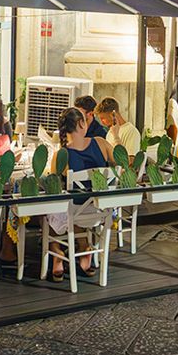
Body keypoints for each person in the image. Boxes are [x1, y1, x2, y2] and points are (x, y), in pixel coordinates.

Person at [46, 106, 112, 278]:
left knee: (45, 211)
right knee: (76, 207)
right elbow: (120, 164)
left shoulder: (62, 154)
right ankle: (84, 247)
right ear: (81, 123)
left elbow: (53, 185)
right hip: (100, 211)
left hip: (74, 212)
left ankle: (57, 250)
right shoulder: (101, 143)